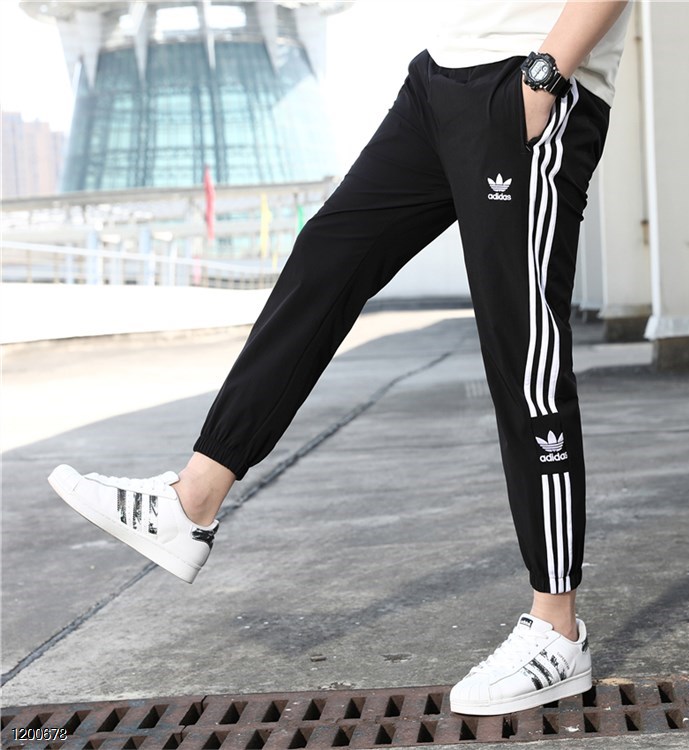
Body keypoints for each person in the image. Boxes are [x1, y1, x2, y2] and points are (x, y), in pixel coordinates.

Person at [49, 0, 633, 717]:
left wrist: (543, 76)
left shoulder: (538, 79)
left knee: (523, 351)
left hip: (526, 76)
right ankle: (190, 501)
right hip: (440, 76)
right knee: (327, 257)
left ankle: (556, 630)